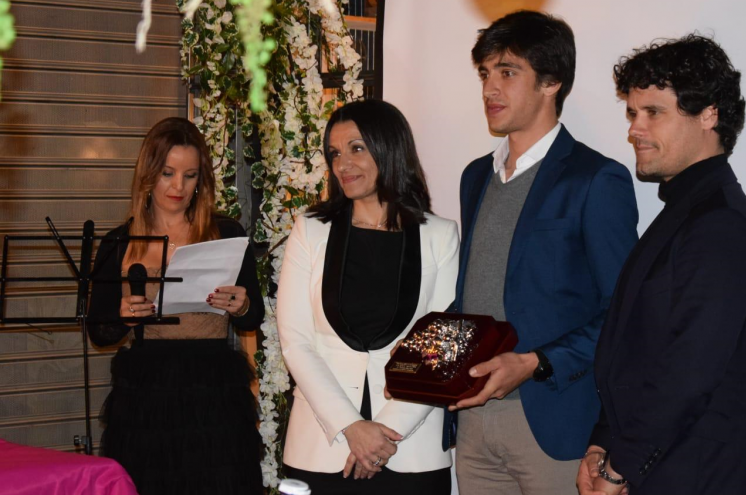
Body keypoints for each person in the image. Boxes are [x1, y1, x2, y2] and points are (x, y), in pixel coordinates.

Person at [449, 10, 639, 495]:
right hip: (473, 421)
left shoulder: (596, 179)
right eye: (485, 74)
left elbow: (624, 312)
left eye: (508, 72)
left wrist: (536, 362)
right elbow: (480, 292)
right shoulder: (475, 176)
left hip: (555, 425)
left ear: (552, 81)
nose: (491, 88)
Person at [577, 34, 746, 495]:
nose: (634, 129)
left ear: (709, 114)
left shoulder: (722, 221)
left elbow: (689, 369)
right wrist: (602, 442)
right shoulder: (683, 213)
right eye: (632, 112)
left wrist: (619, 466)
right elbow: (633, 347)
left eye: (653, 113)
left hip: (699, 474)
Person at [275, 99, 459, 495]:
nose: (343, 164)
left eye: (357, 148)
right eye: (335, 153)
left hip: (410, 451)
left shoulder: (440, 236)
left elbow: (441, 346)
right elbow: (296, 341)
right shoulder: (310, 230)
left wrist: (384, 434)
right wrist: (352, 426)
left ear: (389, 147)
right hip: (322, 447)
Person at [87, 117, 265, 494]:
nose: (178, 186)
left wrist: (240, 303)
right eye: (168, 173)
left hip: (214, 384)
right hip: (147, 389)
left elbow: (254, 316)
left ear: (202, 179)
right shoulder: (119, 241)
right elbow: (99, 331)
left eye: (190, 175)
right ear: (149, 173)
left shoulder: (227, 233)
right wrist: (121, 316)